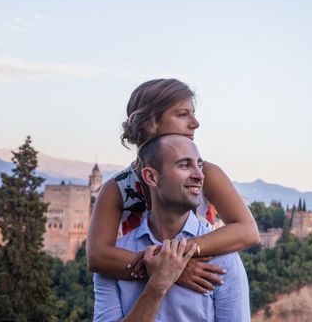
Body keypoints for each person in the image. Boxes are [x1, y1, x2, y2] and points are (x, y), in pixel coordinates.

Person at [87, 79, 259, 293]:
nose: (195, 123)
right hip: (138, 297)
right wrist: (168, 270)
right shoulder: (117, 188)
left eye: (193, 114)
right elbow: (97, 256)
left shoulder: (207, 174)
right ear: (150, 123)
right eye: (182, 114)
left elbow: (248, 232)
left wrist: (176, 257)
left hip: (200, 295)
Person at [93, 134, 250, 321]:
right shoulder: (115, 259)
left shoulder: (223, 258)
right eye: (184, 165)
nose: (199, 175)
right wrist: (157, 286)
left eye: (199, 165)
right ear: (151, 177)